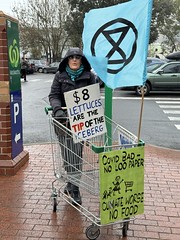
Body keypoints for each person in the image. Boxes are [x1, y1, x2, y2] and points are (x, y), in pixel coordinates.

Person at [49, 47, 96, 205]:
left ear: (81, 60)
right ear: (67, 60)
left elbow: (92, 99)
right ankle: (71, 184)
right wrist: (57, 110)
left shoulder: (90, 76)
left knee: (76, 154)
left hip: (81, 122)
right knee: (67, 154)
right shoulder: (59, 76)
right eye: (71, 57)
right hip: (63, 122)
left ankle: (74, 187)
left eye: (78, 57)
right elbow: (54, 95)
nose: (75, 59)